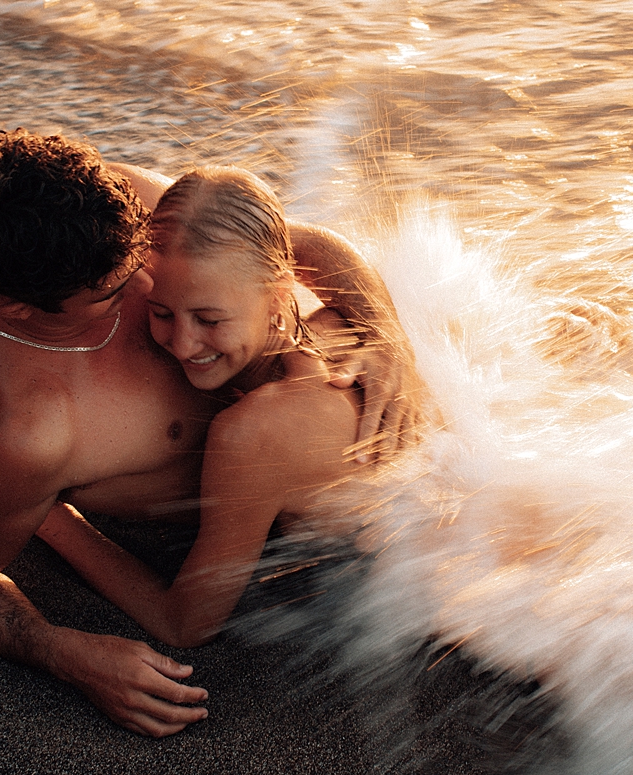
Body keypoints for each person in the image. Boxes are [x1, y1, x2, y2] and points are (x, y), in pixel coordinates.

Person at [0, 130, 419, 738]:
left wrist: (391, 338)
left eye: (137, 255)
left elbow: (295, 244)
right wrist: (66, 652)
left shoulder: (113, 213)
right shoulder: (27, 432)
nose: (150, 283)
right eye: (114, 290)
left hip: (344, 446)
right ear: (19, 307)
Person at [35, 166, 426, 649]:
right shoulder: (331, 323)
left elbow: (184, 623)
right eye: (162, 313)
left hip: (431, 577)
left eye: (209, 319)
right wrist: (391, 341)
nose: (182, 342)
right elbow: (303, 242)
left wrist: (51, 520)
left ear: (281, 294)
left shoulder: (254, 432)